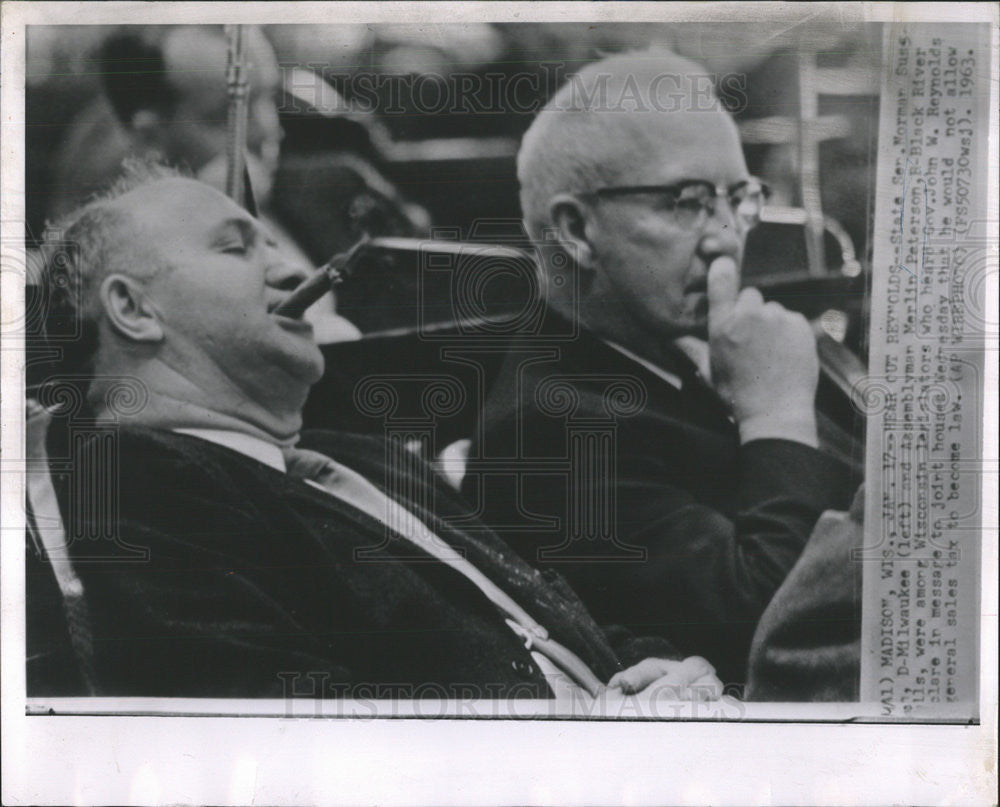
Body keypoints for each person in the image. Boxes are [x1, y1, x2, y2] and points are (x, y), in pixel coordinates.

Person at [29, 161, 722, 706]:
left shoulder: (357, 455)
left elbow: (541, 611)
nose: (297, 270)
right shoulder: (136, 487)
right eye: (238, 248)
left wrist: (661, 669)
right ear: (132, 307)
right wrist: (590, 741)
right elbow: (295, 736)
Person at [462, 50, 853, 686]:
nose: (726, 236)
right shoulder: (548, 431)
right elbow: (775, 631)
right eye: (685, 201)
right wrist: (776, 415)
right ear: (576, 230)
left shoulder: (679, 343)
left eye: (738, 198)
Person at [46, 24, 361, 344]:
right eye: (224, 114)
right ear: (150, 136)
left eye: (269, 98)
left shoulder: (315, 193)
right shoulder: (124, 249)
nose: (266, 129)